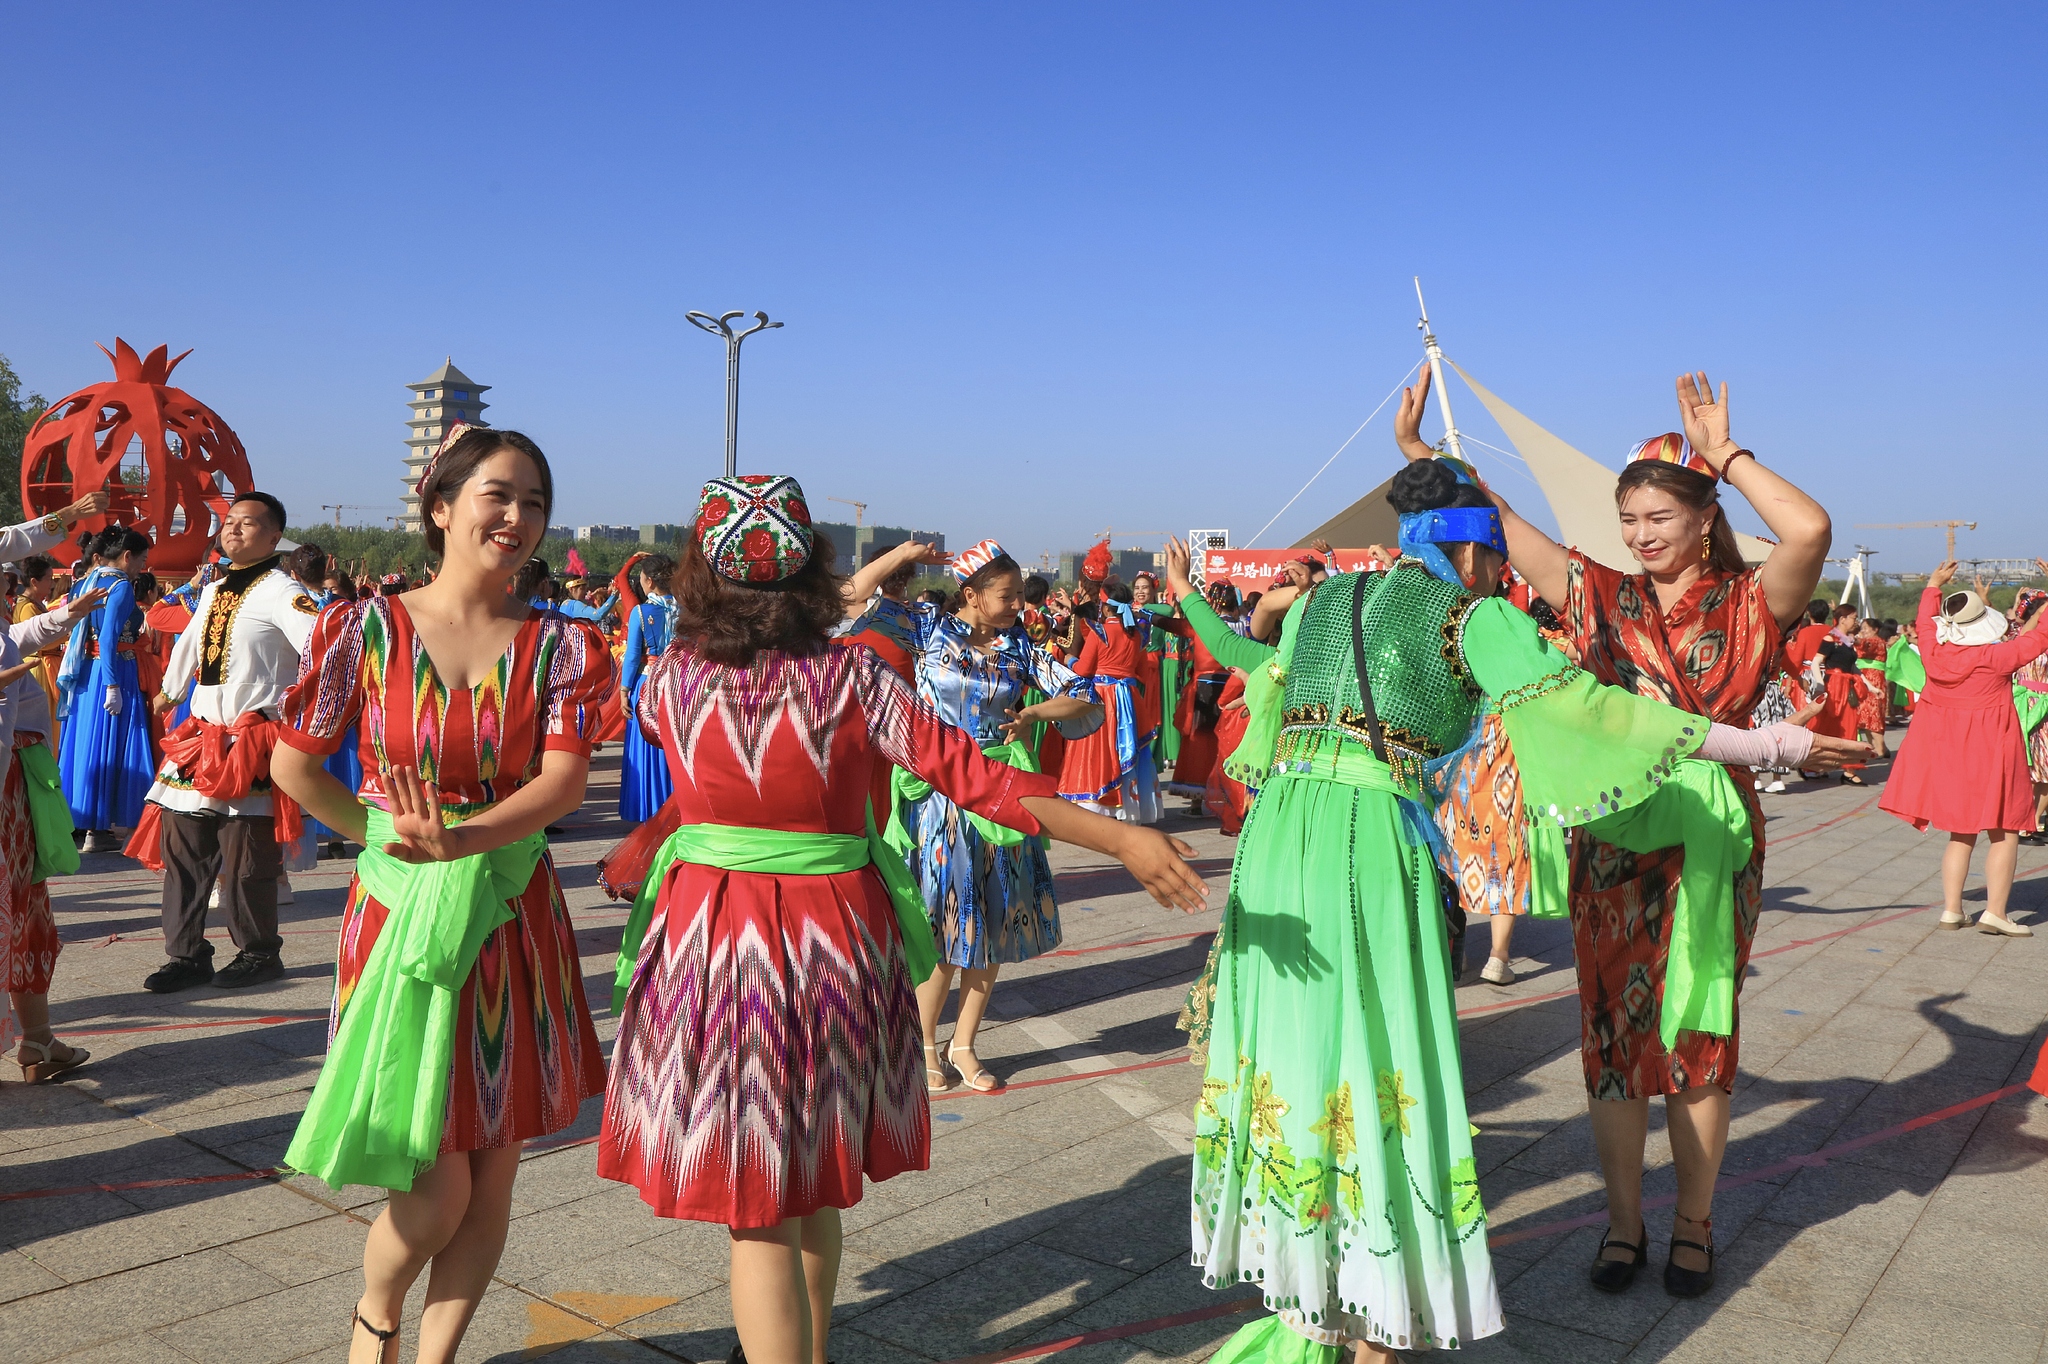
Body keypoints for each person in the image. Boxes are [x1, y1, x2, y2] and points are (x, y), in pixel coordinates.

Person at [1163, 449, 1839, 1356]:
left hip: (1280, 841)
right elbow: (1596, 715)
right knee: (1379, 1052)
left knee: (1295, 1052)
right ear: (1478, 556)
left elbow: (1249, 660)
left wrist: (1187, 598)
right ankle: (1372, 1311)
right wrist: (1769, 746)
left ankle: (1303, 1299)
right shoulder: (1472, 618)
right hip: (1366, 840)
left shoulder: (1325, 600)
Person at [594, 477, 1206, 1364]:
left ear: (699, 576)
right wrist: (1119, 836)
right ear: (812, 573)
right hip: (831, 941)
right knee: (809, 1190)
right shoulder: (855, 681)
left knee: (756, 1203)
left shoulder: (668, 681)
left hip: (711, 937)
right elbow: (983, 778)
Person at [1459, 367, 1852, 1299]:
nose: (1639, 535)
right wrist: (1429, 458)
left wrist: (1728, 454)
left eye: (1657, 519)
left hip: (1714, 839)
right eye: (1628, 519)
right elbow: (1508, 523)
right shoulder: (1602, 597)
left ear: (1703, 516)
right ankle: (1625, 1224)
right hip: (1614, 838)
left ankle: (1695, 1223)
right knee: (1610, 1033)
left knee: (1699, 1031)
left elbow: (1810, 530)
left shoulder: (1756, 603)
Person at [270, 428, 612, 1364]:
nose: (517, 517)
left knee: (494, 1166)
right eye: (499, 495)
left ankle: (436, 1356)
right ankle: (374, 1322)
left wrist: (459, 838)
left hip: (509, 909)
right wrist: (380, 833)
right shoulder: (362, 629)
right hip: (399, 914)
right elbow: (292, 765)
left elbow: (564, 785)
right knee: (432, 1186)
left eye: (534, 502)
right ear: (440, 507)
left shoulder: (565, 646)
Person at [891, 538, 1103, 1092]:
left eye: (1017, 596)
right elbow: (848, 603)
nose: (1018, 606)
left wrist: (1033, 710)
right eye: (1006, 596)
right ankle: (924, 1043)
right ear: (971, 594)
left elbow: (1085, 699)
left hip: (1002, 797)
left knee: (995, 921)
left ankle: (965, 1044)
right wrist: (902, 560)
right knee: (944, 924)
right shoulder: (926, 631)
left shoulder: (1021, 650)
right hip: (942, 798)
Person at [130, 494, 317, 993]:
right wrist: (168, 692)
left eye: (248, 524)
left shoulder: (285, 593)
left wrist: (298, 710)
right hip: (200, 739)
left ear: (275, 537)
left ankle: (258, 952)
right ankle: (187, 955)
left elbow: (320, 649)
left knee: (245, 859)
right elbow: (190, 643)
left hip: (251, 741)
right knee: (183, 852)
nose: (233, 530)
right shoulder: (213, 590)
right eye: (229, 522)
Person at [1879, 561, 2048, 933]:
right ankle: (1996, 913)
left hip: (1952, 754)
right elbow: (2041, 635)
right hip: (1994, 749)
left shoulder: (1933, 652)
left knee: (1961, 833)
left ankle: (1952, 910)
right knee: (2004, 831)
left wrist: (1932, 584)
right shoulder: (1998, 657)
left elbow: (1925, 622)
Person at [1, 580, 110, 1079]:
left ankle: (39, 1042)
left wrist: (67, 613)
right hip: (10, 782)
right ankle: (37, 1043)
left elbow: (14, 638)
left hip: (19, 779)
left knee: (24, 908)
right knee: (19, 909)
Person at [57, 526, 156, 850]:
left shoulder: (84, 582)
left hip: (85, 672)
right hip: (113, 672)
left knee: (86, 745)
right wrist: (113, 683)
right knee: (115, 744)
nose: (142, 567)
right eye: (141, 560)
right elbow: (111, 638)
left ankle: (88, 828)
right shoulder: (120, 585)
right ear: (127, 557)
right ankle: (106, 829)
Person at [618, 553, 677, 822]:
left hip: (648, 682)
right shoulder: (685, 609)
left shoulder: (641, 613)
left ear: (650, 581)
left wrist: (623, 689)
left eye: (641, 579)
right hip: (677, 682)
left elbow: (632, 656)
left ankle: (648, 810)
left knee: (646, 744)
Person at [11, 555, 65, 752]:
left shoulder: (36, 604)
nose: (52, 584)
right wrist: (68, 633)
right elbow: (39, 642)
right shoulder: (27, 607)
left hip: (46, 664)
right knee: (42, 720)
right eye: (49, 579)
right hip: (37, 666)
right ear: (34, 582)